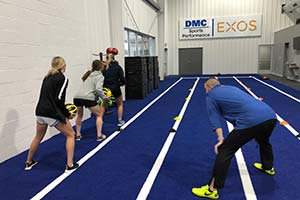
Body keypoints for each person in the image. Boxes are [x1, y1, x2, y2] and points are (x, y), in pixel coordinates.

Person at [192, 77, 277, 199]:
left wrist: (221, 139)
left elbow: (214, 119)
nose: (206, 92)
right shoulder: (232, 87)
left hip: (251, 120)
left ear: (209, 87)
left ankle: (211, 189)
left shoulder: (211, 95)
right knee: (263, 141)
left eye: (205, 89)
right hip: (270, 115)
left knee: (225, 150)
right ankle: (268, 167)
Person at [25, 56, 79, 172]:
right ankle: (69, 165)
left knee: (38, 137)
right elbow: (59, 100)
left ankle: (28, 162)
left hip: (40, 111)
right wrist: (67, 114)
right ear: (63, 66)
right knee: (71, 134)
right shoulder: (62, 78)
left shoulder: (47, 77)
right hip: (52, 113)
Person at [73, 60, 108, 141]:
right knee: (99, 114)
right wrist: (105, 97)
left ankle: (78, 135)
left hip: (77, 97)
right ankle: (99, 136)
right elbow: (98, 89)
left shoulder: (89, 75)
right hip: (88, 98)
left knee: (79, 115)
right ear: (101, 67)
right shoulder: (100, 76)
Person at [102, 53, 126, 127]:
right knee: (120, 104)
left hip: (106, 88)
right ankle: (120, 120)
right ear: (114, 58)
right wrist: (121, 84)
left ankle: (100, 119)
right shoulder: (118, 67)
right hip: (115, 87)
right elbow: (122, 79)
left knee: (104, 105)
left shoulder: (103, 67)